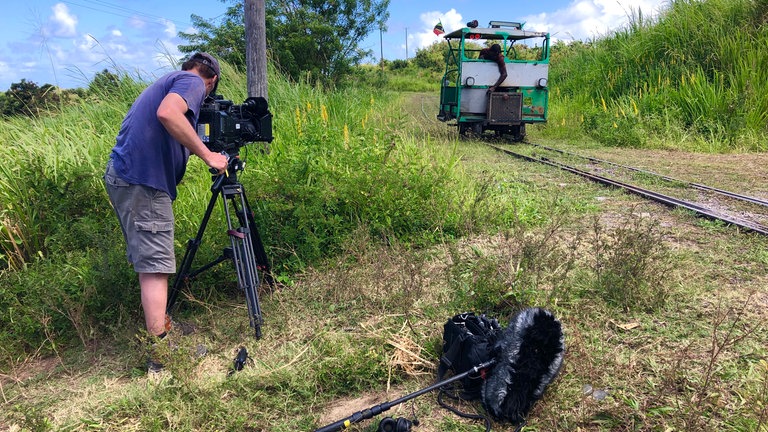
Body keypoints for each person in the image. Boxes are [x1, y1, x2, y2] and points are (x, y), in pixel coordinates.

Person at [104, 52, 228, 373]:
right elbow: (168, 114)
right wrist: (208, 155)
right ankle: (160, 356)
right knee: (156, 266)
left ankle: (161, 328)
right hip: (143, 182)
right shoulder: (191, 82)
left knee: (150, 263)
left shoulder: (169, 81)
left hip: (129, 177)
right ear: (211, 80)